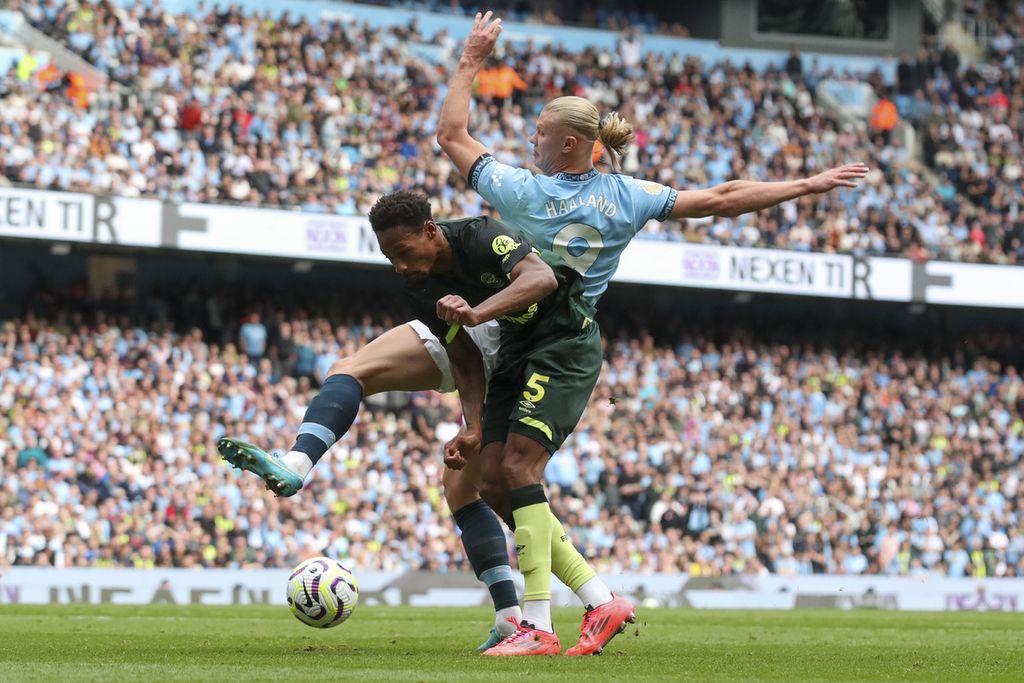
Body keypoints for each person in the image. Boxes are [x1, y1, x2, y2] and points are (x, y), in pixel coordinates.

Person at [371, 190, 629, 655]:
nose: (400, 266)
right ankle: (600, 600)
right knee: (490, 480)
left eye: (403, 253)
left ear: (430, 232)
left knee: (517, 470)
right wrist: (472, 426)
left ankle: (539, 626)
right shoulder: (419, 288)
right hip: (515, 351)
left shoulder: (482, 236)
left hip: (563, 342)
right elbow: (464, 359)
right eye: (389, 257)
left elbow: (542, 278)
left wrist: (478, 311)